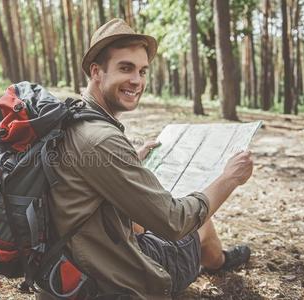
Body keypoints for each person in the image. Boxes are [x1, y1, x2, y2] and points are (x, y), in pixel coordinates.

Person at [41, 18, 253, 299]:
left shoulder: (71, 115)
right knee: (198, 217)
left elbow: (86, 180)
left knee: (178, 208)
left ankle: (217, 260)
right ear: (96, 72)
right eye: (125, 68)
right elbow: (175, 222)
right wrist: (229, 178)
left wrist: (132, 161)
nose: (137, 81)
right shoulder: (101, 139)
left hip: (68, 266)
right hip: (109, 278)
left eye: (142, 71)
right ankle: (218, 261)